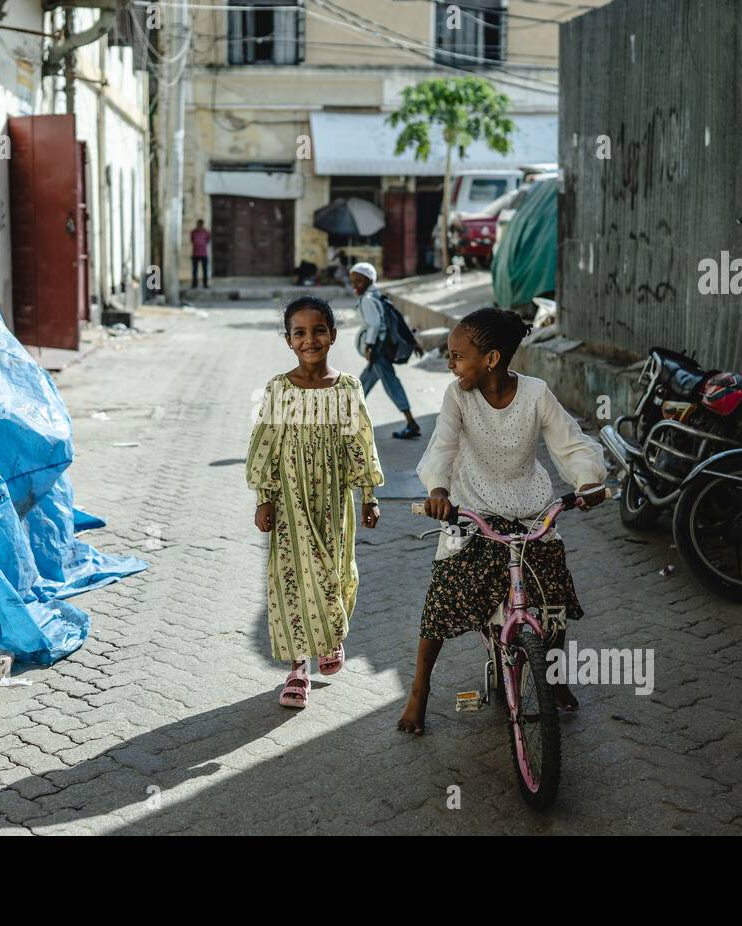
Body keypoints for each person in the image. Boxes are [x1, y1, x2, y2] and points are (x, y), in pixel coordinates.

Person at [397, 307, 608, 735]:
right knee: (441, 601)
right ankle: (419, 689)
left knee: (553, 601)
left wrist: (589, 480)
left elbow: (571, 444)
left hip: (531, 510)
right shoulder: (458, 397)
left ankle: (553, 677)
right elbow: (442, 445)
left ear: (491, 359)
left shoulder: (535, 394)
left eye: (457, 356)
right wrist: (438, 490)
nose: (450, 364)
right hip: (472, 510)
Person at [246, 296, 385, 709]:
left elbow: (360, 442)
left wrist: (369, 494)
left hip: (334, 501)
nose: (310, 340)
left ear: (333, 335)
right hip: (290, 501)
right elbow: (265, 446)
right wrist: (264, 497)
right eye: (300, 333)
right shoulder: (278, 389)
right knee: (293, 582)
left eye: (318, 330)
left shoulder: (347, 389)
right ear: (288, 340)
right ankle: (297, 668)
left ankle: (331, 636)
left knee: (333, 574)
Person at [350, 262, 423, 439]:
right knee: (363, 384)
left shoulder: (368, 299)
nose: (355, 285)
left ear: (368, 281)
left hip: (378, 351)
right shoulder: (378, 296)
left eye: (359, 281)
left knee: (390, 384)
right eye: (353, 281)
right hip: (380, 350)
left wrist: (369, 346)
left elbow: (375, 325)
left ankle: (411, 423)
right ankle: (350, 424)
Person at [190, 219, 211, 288]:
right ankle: (194, 284)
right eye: (198, 224)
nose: (199, 226)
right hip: (195, 254)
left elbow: (208, 240)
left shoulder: (206, 232)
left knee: (205, 270)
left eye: (200, 224)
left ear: (202, 225)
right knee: (194, 270)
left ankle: (205, 284)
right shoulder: (193, 232)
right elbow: (192, 240)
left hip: (203, 254)